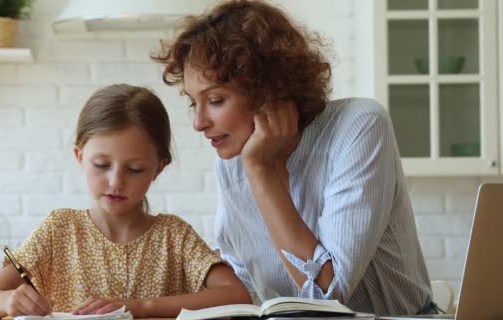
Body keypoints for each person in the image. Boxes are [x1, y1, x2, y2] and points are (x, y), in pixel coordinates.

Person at [152, 0, 435, 316]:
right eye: (194, 103)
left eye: (215, 100)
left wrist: (261, 170)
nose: (198, 123)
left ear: (268, 90)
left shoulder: (359, 126)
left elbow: (327, 297)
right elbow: (244, 285)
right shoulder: (232, 162)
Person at [0, 84, 252, 319]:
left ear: (158, 168)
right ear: (80, 157)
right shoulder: (59, 229)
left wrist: (139, 308)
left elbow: (237, 296)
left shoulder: (174, 236)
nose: (116, 182)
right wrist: (10, 301)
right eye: (101, 164)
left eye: (135, 169)